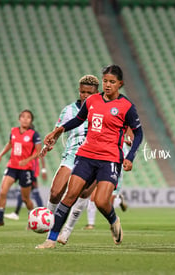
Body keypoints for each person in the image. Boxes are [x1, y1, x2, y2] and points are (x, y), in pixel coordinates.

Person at [36, 65, 143, 249]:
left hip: (109, 158)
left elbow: (138, 133)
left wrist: (130, 157)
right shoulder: (93, 100)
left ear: (120, 84)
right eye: (105, 81)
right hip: (86, 155)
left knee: (101, 201)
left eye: (112, 82)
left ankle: (113, 220)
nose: (107, 85)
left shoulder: (127, 107)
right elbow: (78, 119)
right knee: (70, 195)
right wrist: (58, 131)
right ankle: (51, 239)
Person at [57, 134, 133, 244]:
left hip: (112, 169)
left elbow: (124, 160)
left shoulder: (119, 143)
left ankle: (118, 203)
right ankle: (86, 225)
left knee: (104, 202)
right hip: (94, 161)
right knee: (89, 196)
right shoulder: (97, 133)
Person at [43, 75, 100, 214]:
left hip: (93, 156)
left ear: (97, 93)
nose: (85, 95)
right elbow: (57, 131)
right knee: (56, 192)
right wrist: (50, 143)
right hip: (72, 154)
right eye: (82, 92)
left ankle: (65, 230)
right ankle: (48, 219)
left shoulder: (102, 110)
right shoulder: (69, 110)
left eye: (89, 93)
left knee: (83, 193)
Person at [0, 109, 42, 228]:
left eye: (28, 117)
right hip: (12, 167)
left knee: (25, 198)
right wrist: (0, 156)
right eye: (23, 117)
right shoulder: (13, 131)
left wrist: (27, 160)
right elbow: (10, 144)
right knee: (3, 191)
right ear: (19, 119)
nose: (25, 119)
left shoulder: (34, 134)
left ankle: (31, 219)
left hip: (26, 169)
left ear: (31, 120)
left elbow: (38, 152)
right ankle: (0, 219)